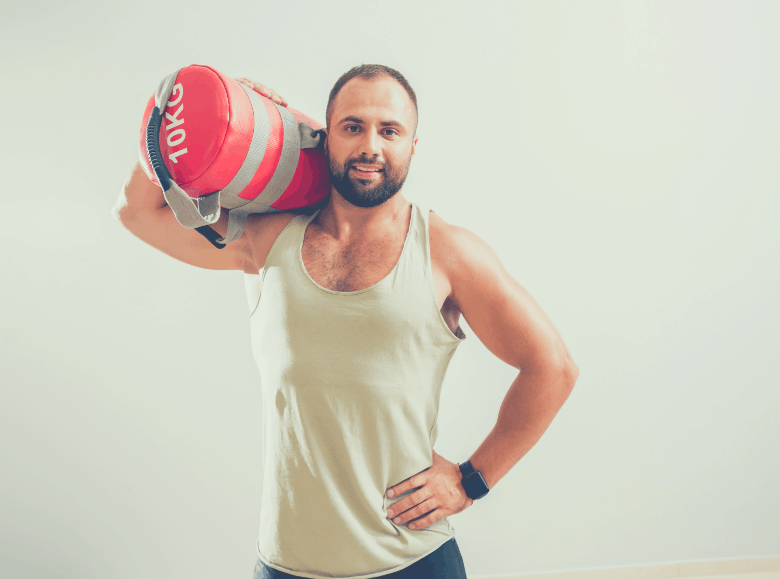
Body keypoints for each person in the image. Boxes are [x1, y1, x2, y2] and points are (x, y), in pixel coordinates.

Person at [112, 64, 579, 579]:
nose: (370, 146)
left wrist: (472, 480)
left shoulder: (447, 252)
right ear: (323, 137)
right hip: (285, 564)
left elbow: (552, 367)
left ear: (413, 146)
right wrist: (175, 128)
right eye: (353, 127)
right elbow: (137, 212)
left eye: (390, 130)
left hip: (411, 560)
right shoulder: (266, 239)